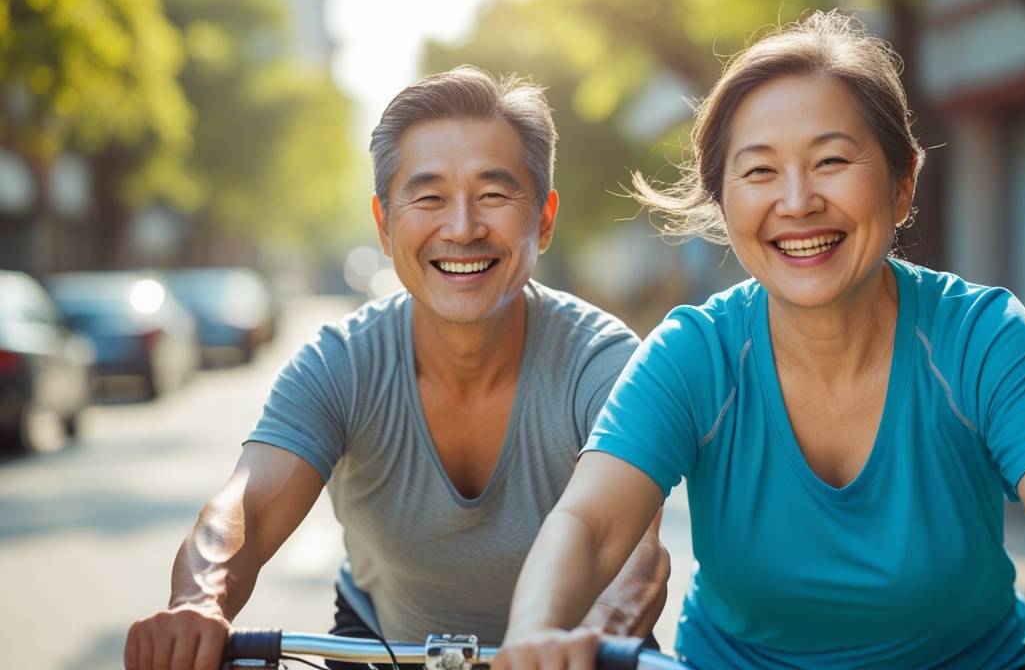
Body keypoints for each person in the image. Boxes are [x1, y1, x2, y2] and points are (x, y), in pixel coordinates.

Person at [495, 12, 1025, 670]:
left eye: (830, 161)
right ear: (724, 199)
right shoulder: (693, 353)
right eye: (759, 170)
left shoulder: (981, 336)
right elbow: (587, 524)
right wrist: (532, 635)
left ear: (903, 183)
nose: (797, 202)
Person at [124, 66, 669, 670]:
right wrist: (199, 601)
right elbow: (245, 508)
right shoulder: (341, 362)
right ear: (384, 225)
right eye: (429, 198)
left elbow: (636, 551)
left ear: (543, 216)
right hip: (384, 646)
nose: (461, 229)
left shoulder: (606, 362)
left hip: (578, 655)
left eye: (493, 195)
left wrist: (591, 638)